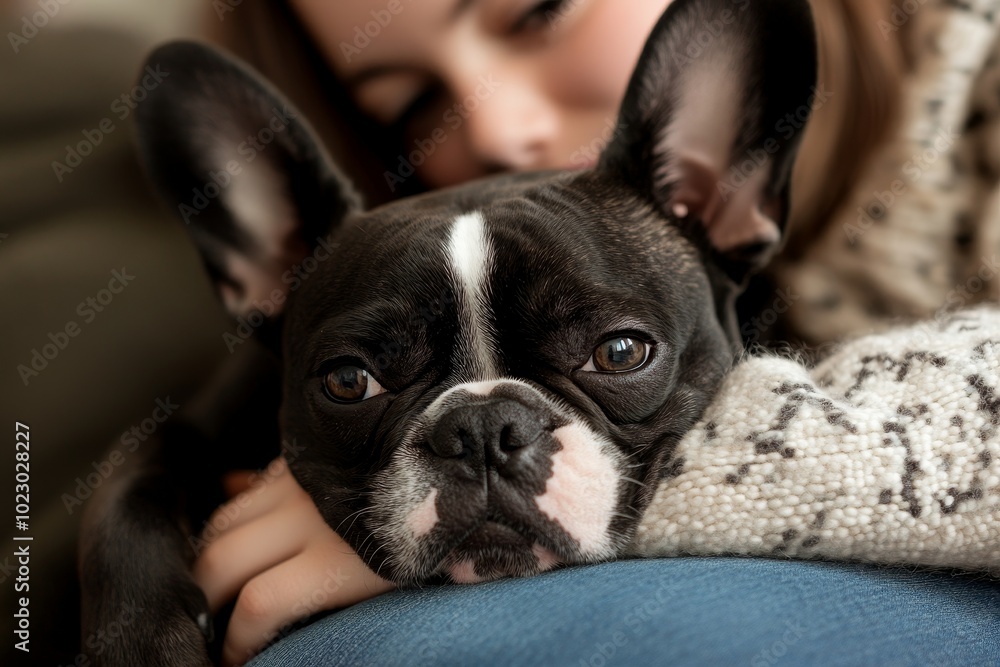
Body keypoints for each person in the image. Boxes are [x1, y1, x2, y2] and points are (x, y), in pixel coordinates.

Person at [190, 1, 1000, 665]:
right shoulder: (357, 273)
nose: (497, 126)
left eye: (537, 13)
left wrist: (364, 533)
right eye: (414, 104)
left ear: (728, 186)